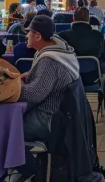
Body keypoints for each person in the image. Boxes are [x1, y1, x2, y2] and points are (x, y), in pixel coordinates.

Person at [15, 15, 80, 181]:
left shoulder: (49, 60)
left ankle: (27, 170)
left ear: (37, 36)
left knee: (1, 128)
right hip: (59, 116)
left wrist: (12, 90)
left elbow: (34, 94)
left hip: (47, 118)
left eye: (28, 32)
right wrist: (30, 76)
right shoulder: (61, 51)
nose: (26, 36)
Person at [59, 7, 105, 87]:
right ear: (88, 19)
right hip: (92, 78)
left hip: (69, 78)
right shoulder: (98, 36)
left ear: (73, 18)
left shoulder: (62, 36)